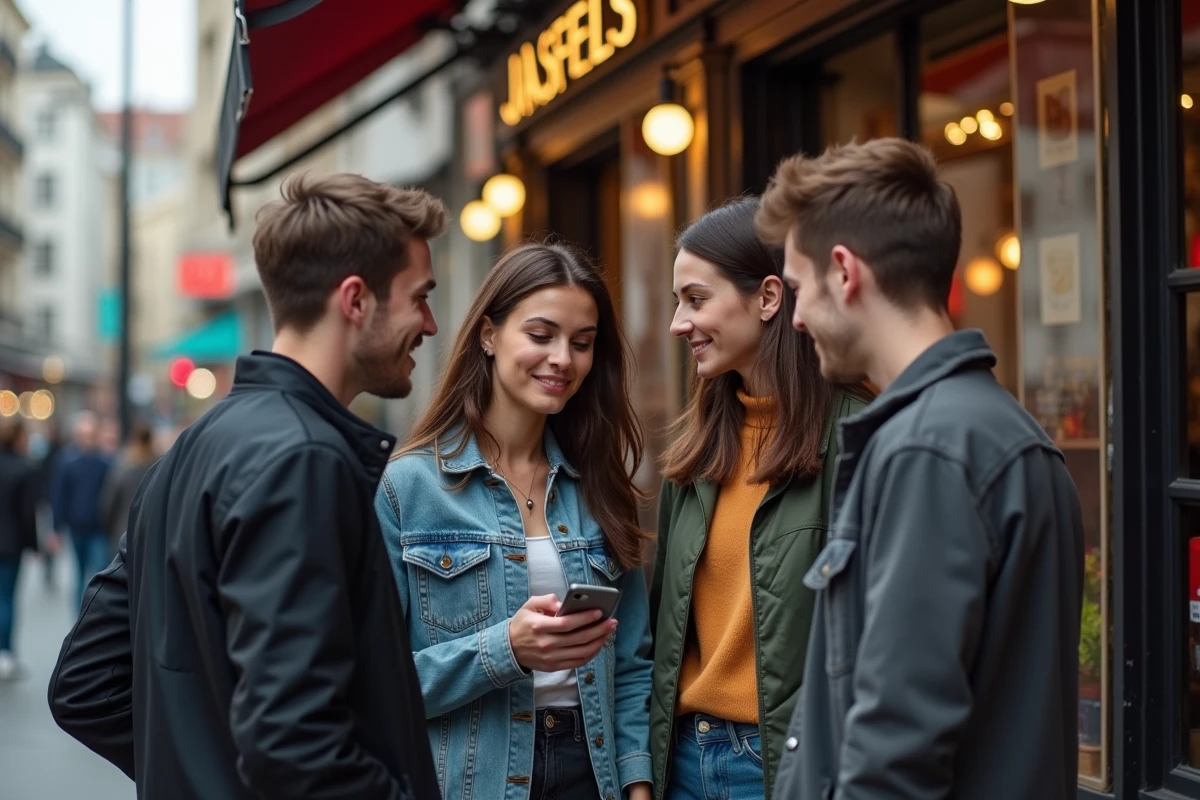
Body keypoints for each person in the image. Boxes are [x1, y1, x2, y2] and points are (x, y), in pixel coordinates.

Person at [47, 173, 447, 800]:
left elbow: (85, 683)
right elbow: (296, 744)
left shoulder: (196, 448)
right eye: (419, 296)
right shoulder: (304, 459)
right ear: (355, 299)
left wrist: (198, 768)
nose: (428, 322)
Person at [757, 138, 1085, 800]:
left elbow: (895, 746)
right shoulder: (994, 429)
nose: (795, 319)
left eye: (798, 288)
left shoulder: (927, 449)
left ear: (845, 272)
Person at [375, 242, 653, 800]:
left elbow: (632, 664)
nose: (562, 360)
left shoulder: (598, 484)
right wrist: (506, 649)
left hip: (592, 774)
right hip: (471, 778)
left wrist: (637, 784)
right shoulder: (409, 487)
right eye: (540, 335)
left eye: (582, 343)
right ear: (488, 335)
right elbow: (377, 684)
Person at [649, 197, 869, 800]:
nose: (677, 323)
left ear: (769, 298)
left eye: (695, 299)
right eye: (677, 303)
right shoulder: (694, 454)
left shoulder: (859, 440)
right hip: (684, 762)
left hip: (786, 769)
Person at [50, 411, 113, 606]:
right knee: (78, 574)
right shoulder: (67, 461)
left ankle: (95, 615)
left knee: (98, 573)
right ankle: (80, 621)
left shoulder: (105, 461)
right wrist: (55, 528)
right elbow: (58, 495)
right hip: (76, 526)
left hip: (98, 527)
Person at [0, 419, 39, 679]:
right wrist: (33, 545)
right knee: (6, 599)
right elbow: (27, 513)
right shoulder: (23, 468)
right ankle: (4, 653)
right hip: (11, 544)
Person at [99, 419, 157, 548]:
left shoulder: (123, 467)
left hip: (124, 531)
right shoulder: (159, 466)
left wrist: (107, 527)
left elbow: (110, 502)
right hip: (152, 530)